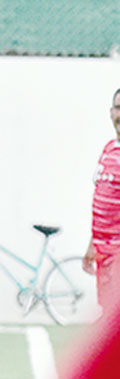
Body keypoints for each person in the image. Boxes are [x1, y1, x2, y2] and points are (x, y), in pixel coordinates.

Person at [81, 88, 120, 307]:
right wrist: (92, 245)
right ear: (111, 112)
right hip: (103, 253)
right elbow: (102, 204)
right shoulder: (109, 149)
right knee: (107, 311)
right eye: (118, 108)